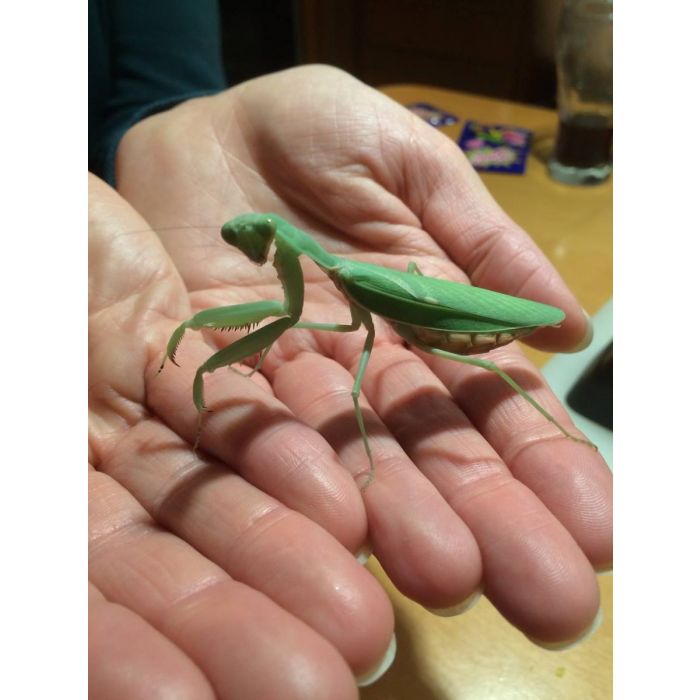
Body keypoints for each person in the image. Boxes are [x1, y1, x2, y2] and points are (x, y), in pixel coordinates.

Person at [89, 4, 612, 699]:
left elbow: (152, 75)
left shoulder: (349, 280)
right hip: (401, 309)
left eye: (254, 239)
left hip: (449, 322)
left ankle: (496, 435)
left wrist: (167, 126)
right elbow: (295, 316)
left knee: (466, 366)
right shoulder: (332, 282)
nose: (248, 247)